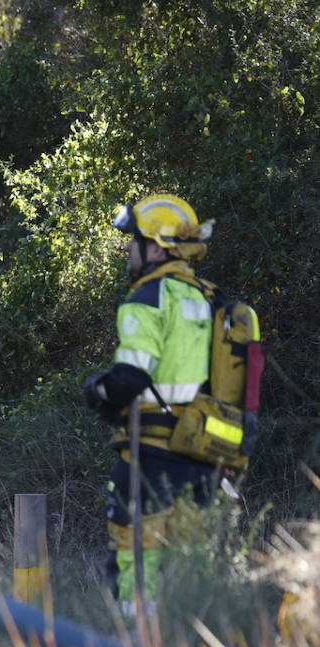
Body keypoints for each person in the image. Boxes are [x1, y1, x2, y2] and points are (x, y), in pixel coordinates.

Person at [83, 194, 218, 613]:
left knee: (134, 552)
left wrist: (97, 391)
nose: (128, 248)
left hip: (150, 451)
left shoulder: (146, 300)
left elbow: (131, 378)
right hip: (200, 451)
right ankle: (188, 643)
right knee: (190, 553)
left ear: (156, 248)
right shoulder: (210, 299)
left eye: (134, 241)